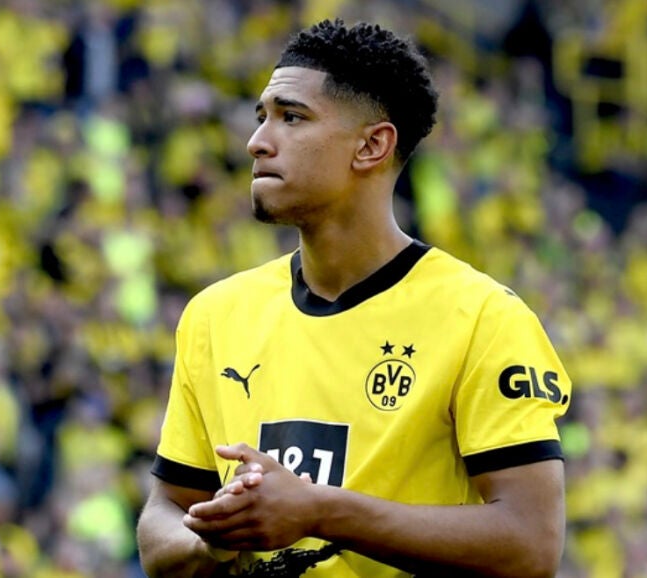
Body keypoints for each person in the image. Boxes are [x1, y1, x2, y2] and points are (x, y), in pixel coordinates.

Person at [137, 19, 572, 578]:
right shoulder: (215, 314)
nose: (257, 141)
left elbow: (531, 544)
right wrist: (213, 540)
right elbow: (165, 513)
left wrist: (319, 511)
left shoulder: (482, 318)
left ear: (371, 146)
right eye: (261, 116)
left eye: (292, 117)